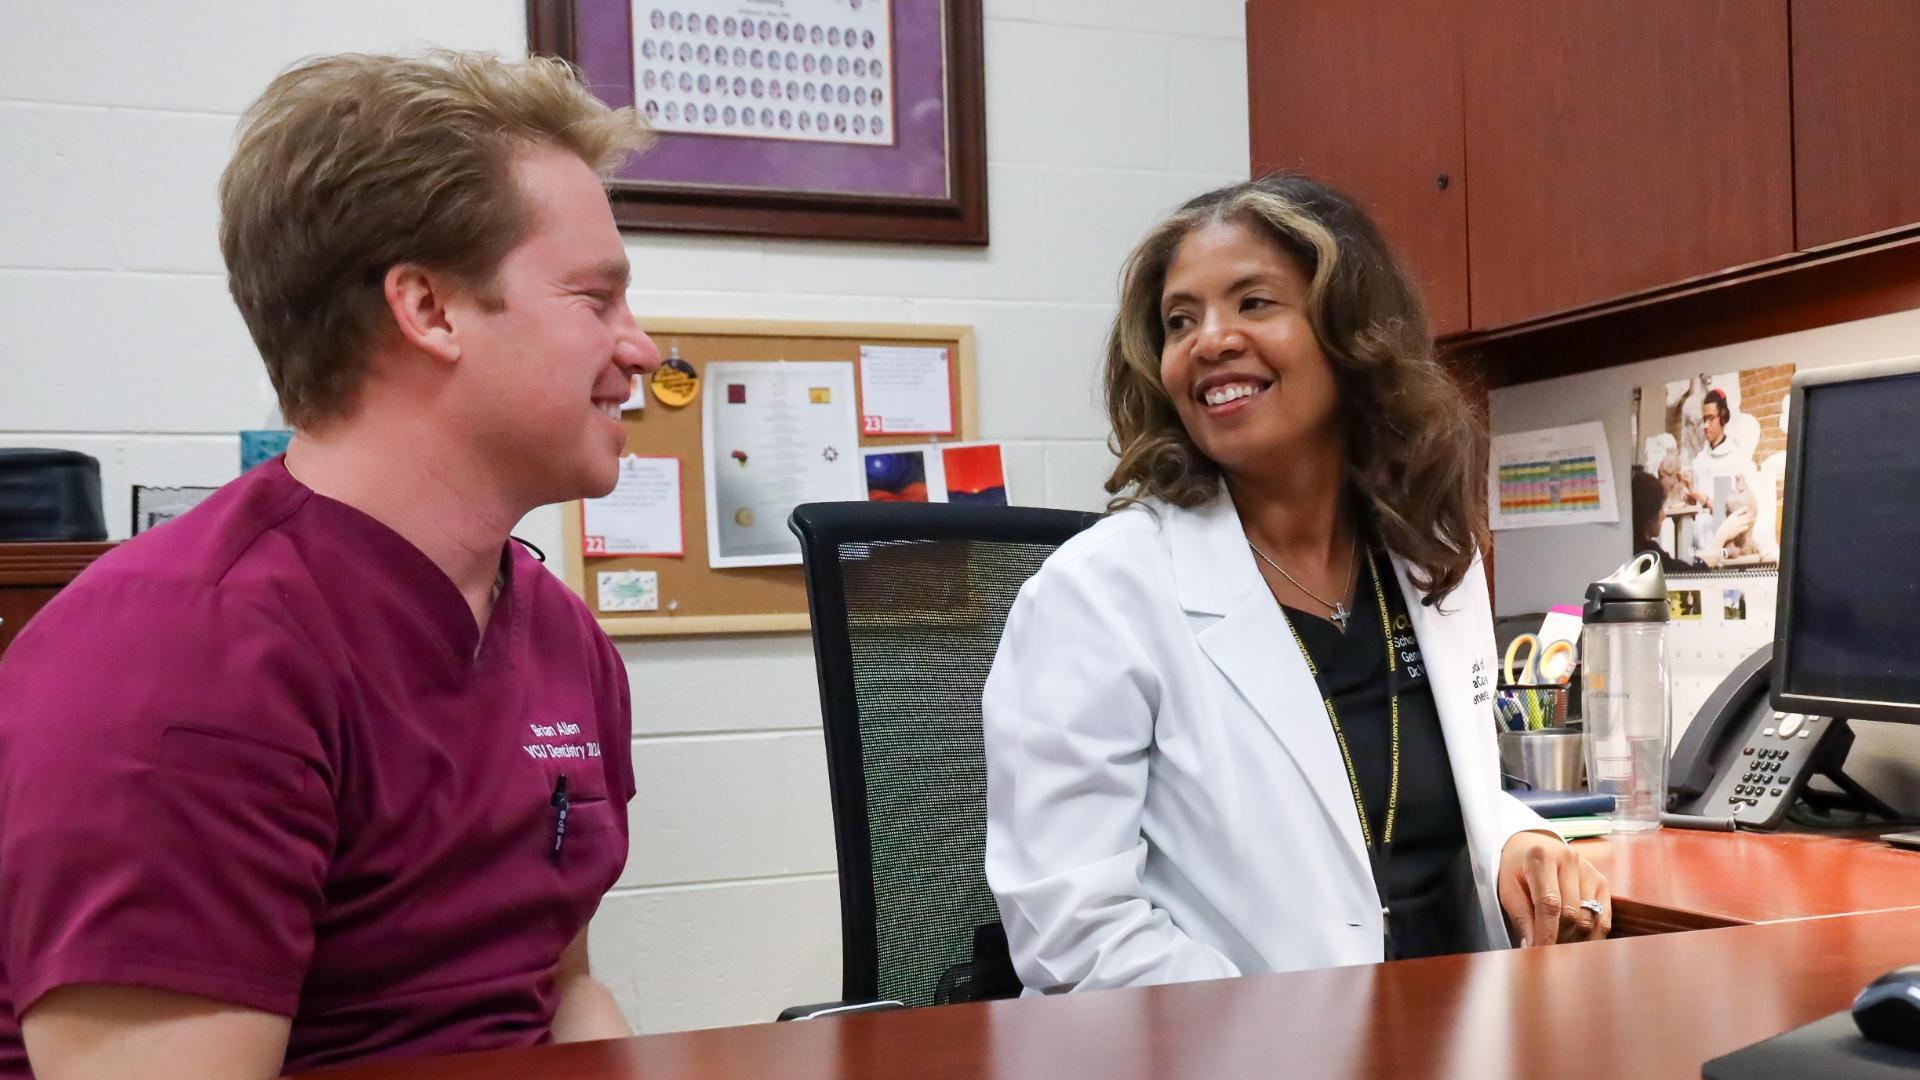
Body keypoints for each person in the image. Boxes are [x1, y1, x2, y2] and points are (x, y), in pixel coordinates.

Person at [0, 51, 660, 1077]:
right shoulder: (183, 655)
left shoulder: (553, 632)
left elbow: (560, 986)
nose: (643, 350)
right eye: (595, 299)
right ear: (429, 309)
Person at [982, 174, 1610, 995]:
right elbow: (1075, 933)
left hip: (1458, 1032)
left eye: (1253, 303)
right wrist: (1291, 1042)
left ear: (1354, 334)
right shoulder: (1097, 595)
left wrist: (1517, 841)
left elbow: (1408, 805)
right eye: (1181, 320)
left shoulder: (1430, 557)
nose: (1210, 340)